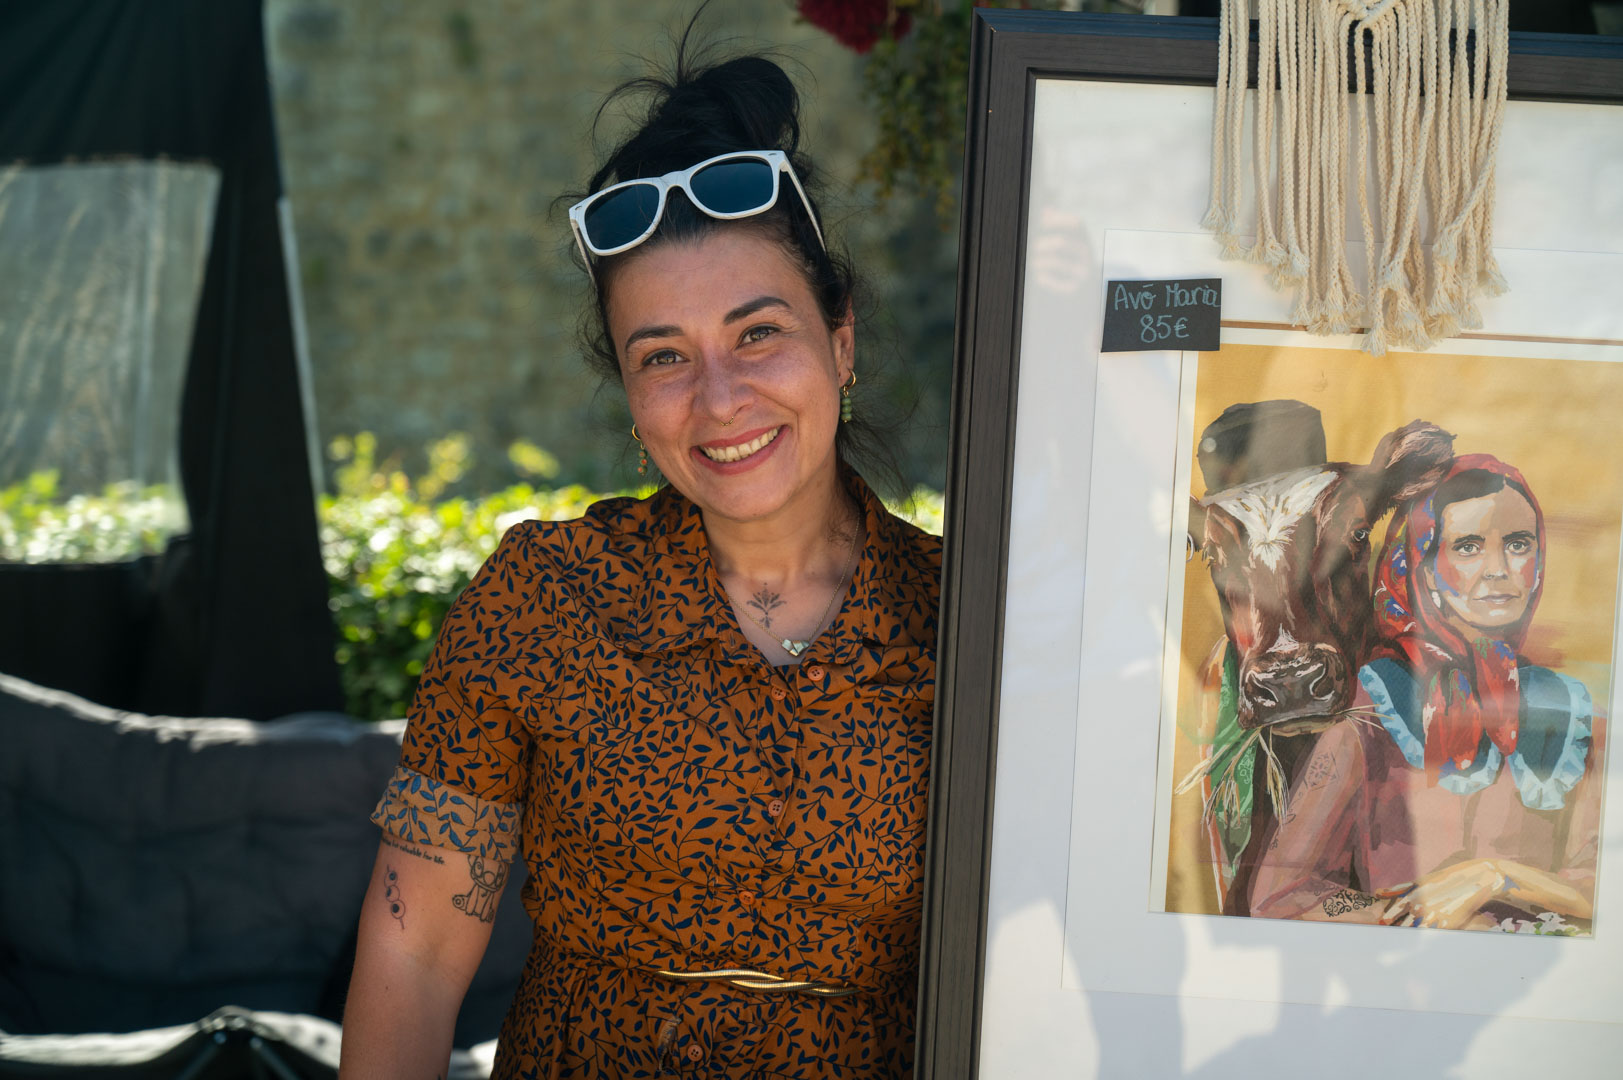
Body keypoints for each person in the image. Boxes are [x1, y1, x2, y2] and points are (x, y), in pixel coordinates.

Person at [337, 45, 940, 1080]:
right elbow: (415, 953)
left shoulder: (962, 619)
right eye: (663, 356)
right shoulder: (542, 599)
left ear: (840, 342)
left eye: (758, 334)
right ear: (626, 391)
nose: (720, 400)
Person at [1249, 455, 1604, 931]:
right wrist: (1401, 915)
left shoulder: (1573, 711)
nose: (1499, 569)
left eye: (1518, 544)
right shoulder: (1373, 710)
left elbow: (1601, 886)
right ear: (1422, 565)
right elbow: (1284, 897)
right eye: (1468, 547)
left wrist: (1494, 878)